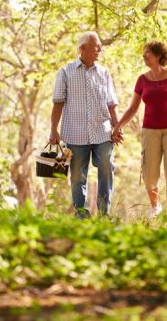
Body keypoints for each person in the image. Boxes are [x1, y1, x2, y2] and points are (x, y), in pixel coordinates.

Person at [112, 41, 167, 226]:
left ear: (157, 55)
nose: (144, 56)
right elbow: (133, 108)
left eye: (147, 53)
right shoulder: (142, 79)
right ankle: (155, 208)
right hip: (149, 132)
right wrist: (118, 126)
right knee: (149, 174)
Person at [49, 31, 122, 218]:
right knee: (77, 177)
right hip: (75, 133)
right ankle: (81, 213)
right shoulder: (65, 72)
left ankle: (104, 213)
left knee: (106, 165)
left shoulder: (104, 73)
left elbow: (111, 104)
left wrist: (117, 127)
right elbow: (58, 102)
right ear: (83, 48)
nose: (100, 49)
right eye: (96, 46)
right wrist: (53, 130)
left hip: (102, 131)